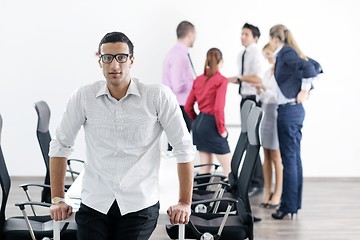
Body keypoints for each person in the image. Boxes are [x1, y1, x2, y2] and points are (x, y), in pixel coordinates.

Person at [49, 31, 195, 239]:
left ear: (132, 60)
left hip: (139, 204)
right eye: (107, 58)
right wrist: (57, 199)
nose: (114, 65)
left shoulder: (157, 96)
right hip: (95, 202)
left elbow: (183, 148)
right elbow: (60, 146)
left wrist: (184, 202)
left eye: (121, 57)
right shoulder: (84, 97)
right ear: (100, 61)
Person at [268, 24, 322, 220]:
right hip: (293, 111)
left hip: (289, 112)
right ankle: (293, 205)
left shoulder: (286, 53)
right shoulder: (290, 52)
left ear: (275, 39)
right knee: (294, 159)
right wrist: (305, 89)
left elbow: (312, 67)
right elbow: (314, 66)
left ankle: (288, 206)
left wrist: (306, 90)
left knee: (289, 160)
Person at [228, 22, 264, 197]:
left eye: (246, 34)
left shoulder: (256, 52)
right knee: (248, 140)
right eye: (241, 34)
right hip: (244, 99)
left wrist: (239, 78)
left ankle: (257, 182)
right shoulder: (242, 53)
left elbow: (258, 78)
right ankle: (253, 181)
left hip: (252, 100)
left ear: (255, 38)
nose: (242, 37)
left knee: (252, 141)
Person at [184, 48, 231, 180]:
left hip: (199, 124)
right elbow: (218, 108)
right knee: (230, 171)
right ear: (221, 61)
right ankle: (229, 200)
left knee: (205, 168)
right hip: (212, 124)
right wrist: (222, 130)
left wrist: (197, 121)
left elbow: (188, 106)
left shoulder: (198, 80)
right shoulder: (221, 80)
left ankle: (200, 199)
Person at [256, 43, 283, 209]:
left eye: (269, 54)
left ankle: (278, 193)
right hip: (265, 113)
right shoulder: (267, 72)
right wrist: (260, 90)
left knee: (276, 155)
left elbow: (278, 96)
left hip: (276, 114)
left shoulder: (281, 73)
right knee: (265, 153)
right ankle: (267, 191)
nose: (267, 58)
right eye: (265, 55)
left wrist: (264, 89)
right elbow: (266, 95)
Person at [163, 20, 197, 151]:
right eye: (194, 34)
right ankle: (176, 172)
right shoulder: (179, 55)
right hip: (180, 106)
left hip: (179, 105)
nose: (195, 38)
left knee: (179, 145)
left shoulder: (178, 53)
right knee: (179, 147)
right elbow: (178, 85)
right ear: (190, 34)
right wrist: (196, 83)